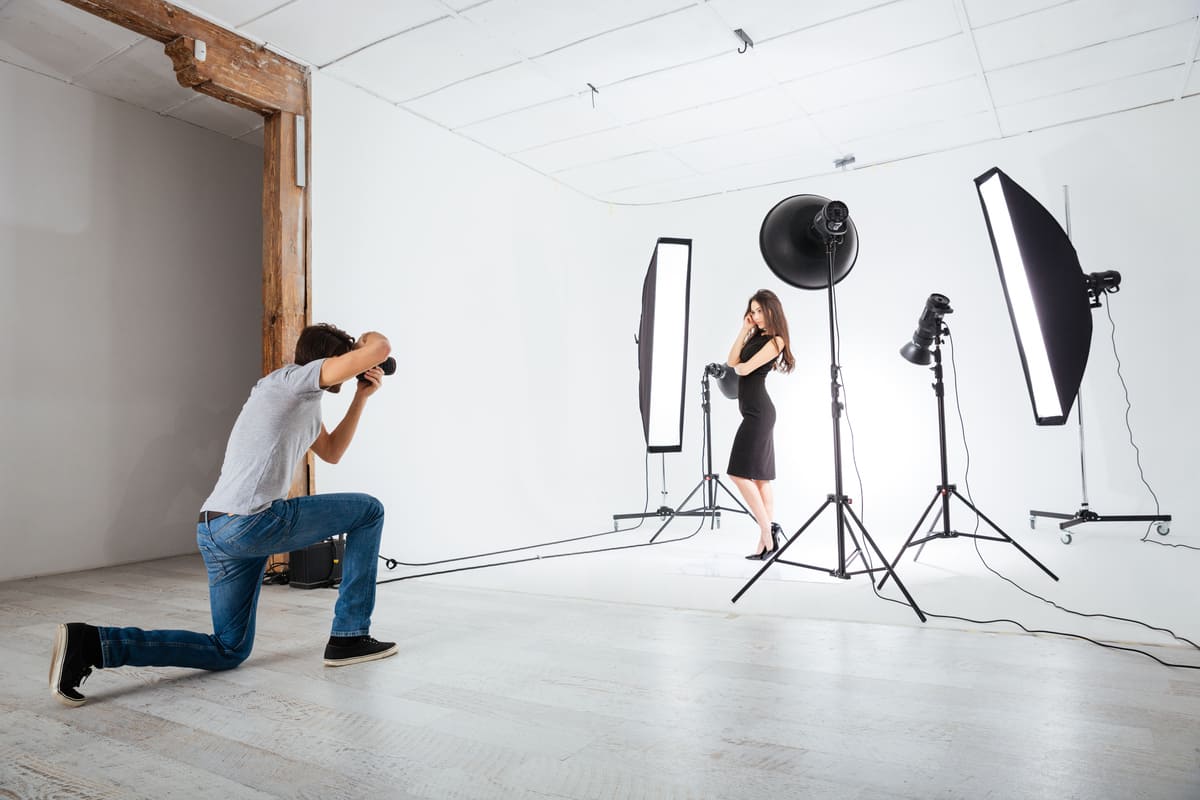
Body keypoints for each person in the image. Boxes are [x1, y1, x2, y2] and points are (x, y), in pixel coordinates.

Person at [50, 323, 397, 707]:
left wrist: (362, 397)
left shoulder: (302, 402)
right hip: (251, 523)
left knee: (229, 649)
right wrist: (364, 342)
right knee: (369, 510)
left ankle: (94, 645)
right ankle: (350, 635)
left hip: (216, 529)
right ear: (331, 362)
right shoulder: (293, 380)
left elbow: (331, 451)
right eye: (347, 360)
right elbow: (378, 348)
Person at [725, 290, 795, 560]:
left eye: (758, 311)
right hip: (753, 412)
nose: (754, 315)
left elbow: (743, 369)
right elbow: (732, 362)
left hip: (759, 413)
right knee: (761, 477)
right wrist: (744, 330)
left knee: (737, 473)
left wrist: (742, 365)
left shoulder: (776, 340)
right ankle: (766, 543)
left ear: (770, 311)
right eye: (751, 311)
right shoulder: (754, 336)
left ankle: (768, 531)